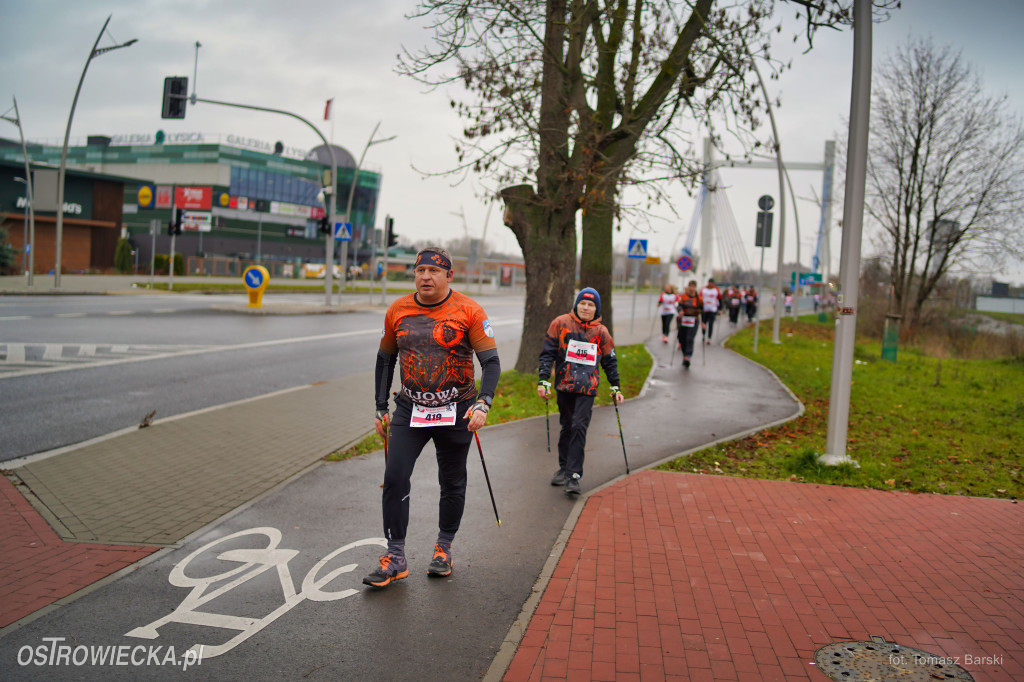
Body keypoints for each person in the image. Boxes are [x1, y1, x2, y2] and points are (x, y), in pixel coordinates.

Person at [365, 246, 501, 588]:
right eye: (420, 270)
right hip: (411, 409)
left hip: (457, 410)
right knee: (395, 477)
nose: (426, 276)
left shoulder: (469, 310)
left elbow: (491, 363)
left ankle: (443, 549)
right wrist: (381, 406)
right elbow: (385, 359)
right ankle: (395, 557)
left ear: (448, 276)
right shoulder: (397, 309)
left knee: (452, 481)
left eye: (434, 271)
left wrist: (483, 403)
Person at [537, 288, 623, 496]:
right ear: (577, 304)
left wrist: (615, 386)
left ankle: (574, 476)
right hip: (564, 385)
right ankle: (564, 467)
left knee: (579, 426)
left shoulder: (601, 332)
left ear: (596, 309)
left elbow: (610, 360)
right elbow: (547, 353)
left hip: (587, 388)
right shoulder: (560, 323)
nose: (586, 307)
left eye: (591, 305)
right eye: (583, 303)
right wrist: (543, 380)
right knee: (567, 426)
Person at [675, 280, 703, 368]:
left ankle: (688, 356)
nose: (692, 288)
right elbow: (679, 306)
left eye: (693, 287)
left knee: (690, 338)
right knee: (682, 338)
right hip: (684, 320)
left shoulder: (699, 298)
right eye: (690, 286)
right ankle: (685, 355)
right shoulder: (683, 297)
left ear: (695, 288)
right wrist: (680, 311)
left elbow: (702, 309)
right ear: (688, 287)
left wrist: (703, 322)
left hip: (694, 320)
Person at [700, 277, 721, 343]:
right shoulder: (703, 289)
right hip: (704, 309)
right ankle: (703, 335)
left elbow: (720, 299)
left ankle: (709, 338)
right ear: (708, 283)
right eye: (710, 283)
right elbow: (699, 298)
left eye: (712, 283)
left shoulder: (716, 290)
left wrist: (720, 309)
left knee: (711, 324)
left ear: (713, 284)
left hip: (713, 309)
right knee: (703, 324)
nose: (711, 284)